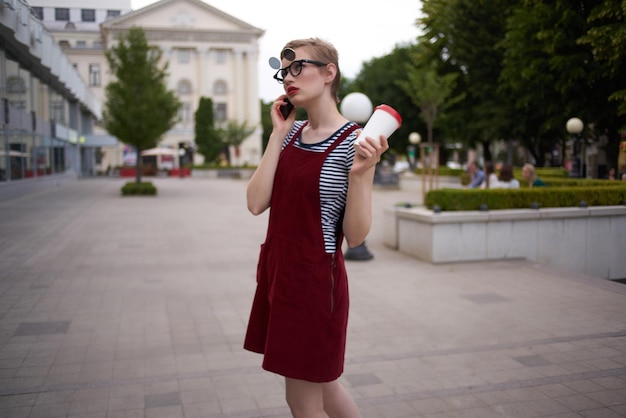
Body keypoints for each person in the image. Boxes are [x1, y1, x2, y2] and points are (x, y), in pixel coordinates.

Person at [244, 38, 388, 417]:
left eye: (298, 67)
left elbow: (356, 236)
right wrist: (275, 134)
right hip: (280, 272)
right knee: (323, 387)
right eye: (283, 70)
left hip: (312, 283)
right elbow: (256, 202)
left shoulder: (354, 142)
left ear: (329, 73)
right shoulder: (289, 134)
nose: (288, 78)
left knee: (302, 399)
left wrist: (361, 175)